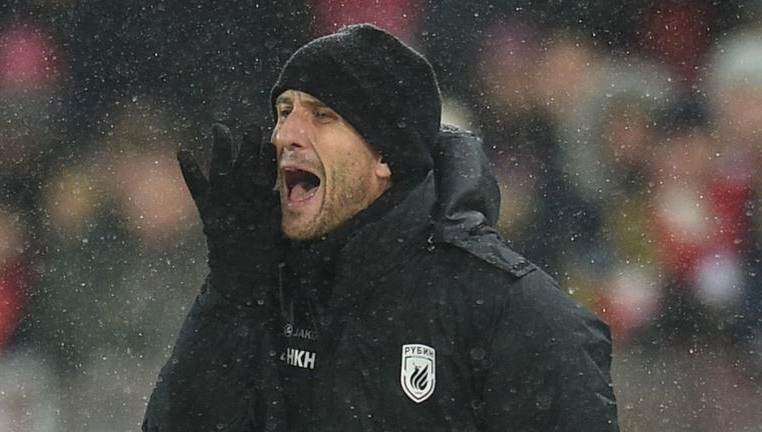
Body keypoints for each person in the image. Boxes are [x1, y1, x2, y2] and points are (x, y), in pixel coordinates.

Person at [142, 24, 619, 431]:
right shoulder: (260, 292)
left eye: (322, 115)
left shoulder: (505, 309)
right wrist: (230, 291)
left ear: (385, 156)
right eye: (284, 111)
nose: (285, 134)